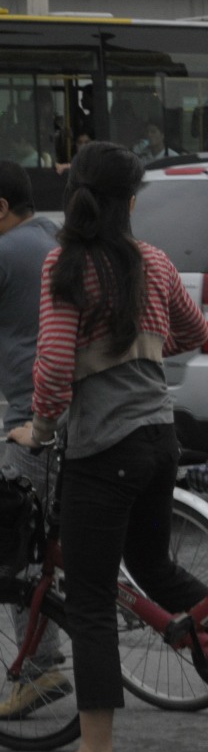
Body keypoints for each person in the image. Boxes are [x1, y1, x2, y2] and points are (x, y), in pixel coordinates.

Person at [7, 142, 208, 752]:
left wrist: (38, 430)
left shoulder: (66, 264)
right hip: (159, 437)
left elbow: (53, 367)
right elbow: (195, 333)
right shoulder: (154, 261)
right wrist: (140, 347)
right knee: (154, 565)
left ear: (75, 197)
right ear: (131, 203)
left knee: (91, 599)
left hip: (105, 449)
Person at [0, 161, 69, 719]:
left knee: (15, 542)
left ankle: (42, 664)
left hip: (35, 418)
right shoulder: (49, 235)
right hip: (78, 413)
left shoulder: (5, 252)